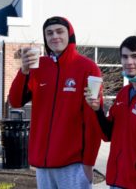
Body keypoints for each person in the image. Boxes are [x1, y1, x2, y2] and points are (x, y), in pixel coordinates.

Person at [8, 16, 102, 189]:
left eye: (60, 31)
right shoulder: (38, 66)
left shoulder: (87, 67)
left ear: (70, 35)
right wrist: (24, 71)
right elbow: (15, 101)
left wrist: (89, 162)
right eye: (49, 33)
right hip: (42, 164)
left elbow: (93, 120)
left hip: (73, 164)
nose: (54, 36)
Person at [85, 36, 136, 189]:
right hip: (118, 181)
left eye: (135, 56)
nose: (129, 62)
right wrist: (97, 110)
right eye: (125, 57)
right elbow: (108, 134)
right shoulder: (124, 93)